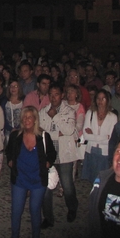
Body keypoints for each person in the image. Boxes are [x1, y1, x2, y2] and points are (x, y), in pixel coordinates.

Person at [6, 106, 56, 238]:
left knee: (35, 210)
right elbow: (9, 151)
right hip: (20, 178)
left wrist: (47, 163)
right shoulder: (16, 136)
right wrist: (10, 161)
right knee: (16, 210)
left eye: (30, 117)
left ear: (35, 119)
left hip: (37, 179)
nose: (27, 120)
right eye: (24, 117)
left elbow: (52, 153)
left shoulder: (43, 136)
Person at [39, 85, 79, 224]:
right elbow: (42, 132)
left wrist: (55, 117)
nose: (53, 97)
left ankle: (72, 208)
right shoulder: (43, 111)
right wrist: (57, 134)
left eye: (56, 94)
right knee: (46, 186)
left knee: (67, 185)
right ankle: (48, 217)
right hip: (49, 153)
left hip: (64, 153)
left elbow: (68, 130)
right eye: (51, 94)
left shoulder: (69, 111)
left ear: (61, 95)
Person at [81, 89, 119, 182]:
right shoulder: (90, 113)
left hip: (105, 154)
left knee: (104, 179)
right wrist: (103, 137)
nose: (100, 101)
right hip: (91, 151)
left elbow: (110, 139)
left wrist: (93, 135)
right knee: (91, 180)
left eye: (103, 99)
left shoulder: (113, 117)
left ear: (107, 100)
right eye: (98, 98)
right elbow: (86, 136)